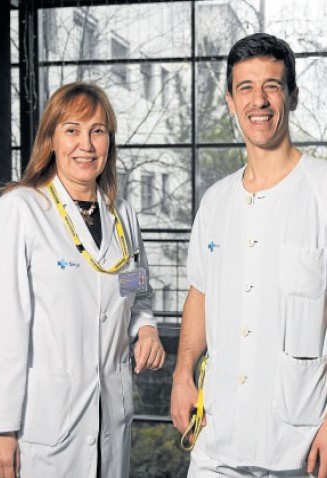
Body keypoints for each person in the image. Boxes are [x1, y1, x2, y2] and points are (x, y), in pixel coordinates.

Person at [0, 81, 166, 478]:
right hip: (39, 430)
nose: (86, 145)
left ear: (109, 141)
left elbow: (135, 289)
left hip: (108, 419)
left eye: (97, 131)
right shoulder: (21, 211)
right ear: (51, 140)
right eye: (72, 130)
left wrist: (145, 328)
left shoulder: (123, 215)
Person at [170, 32, 327, 478]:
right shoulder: (215, 201)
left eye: (272, 86)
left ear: (292, 97)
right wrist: (182, 374)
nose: (259, 101)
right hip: (217, 438)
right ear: (230, 101)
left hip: (298, 443)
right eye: (245, 88)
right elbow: (200, 293)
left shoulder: (322, 189)